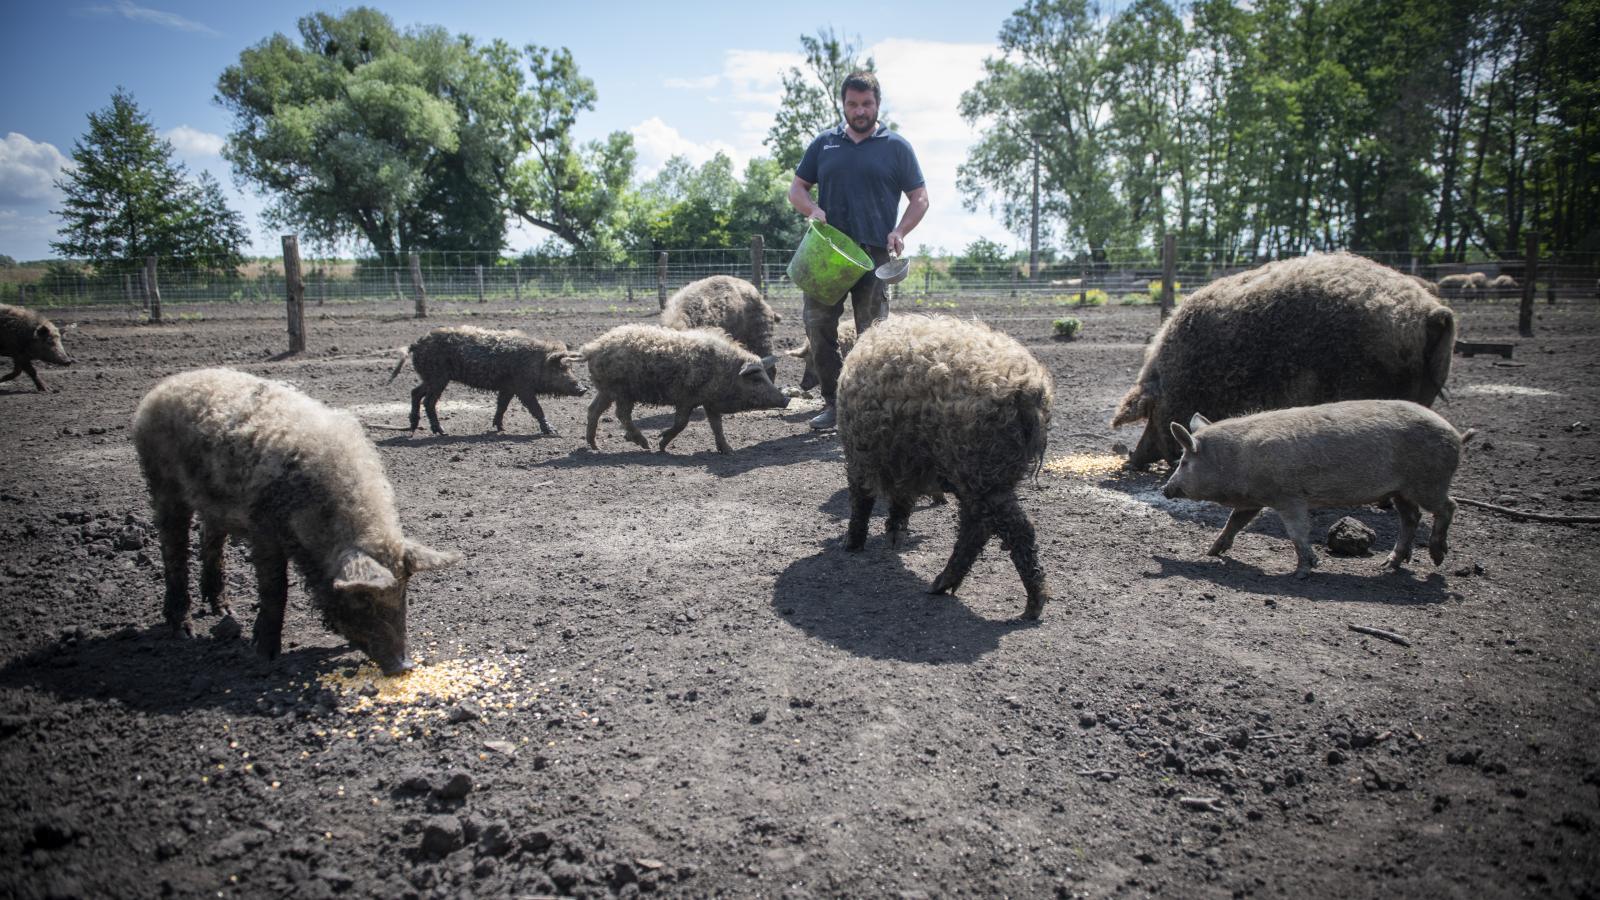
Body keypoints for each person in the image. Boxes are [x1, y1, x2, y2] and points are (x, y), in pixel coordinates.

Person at [787, 70, 929, 430]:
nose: (860, 110)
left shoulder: (896, 147)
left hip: (875, 256)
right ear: (843, 104)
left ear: (877, 104)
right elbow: (797, 189)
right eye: (853, 104)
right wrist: (812, 210)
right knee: (818, 329)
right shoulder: (824, 144)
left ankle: (871, 408)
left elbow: (920, 198)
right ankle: (835, 403)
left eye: (866, 103)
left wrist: (900, 231)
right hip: (828, 254)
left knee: (874, 336)